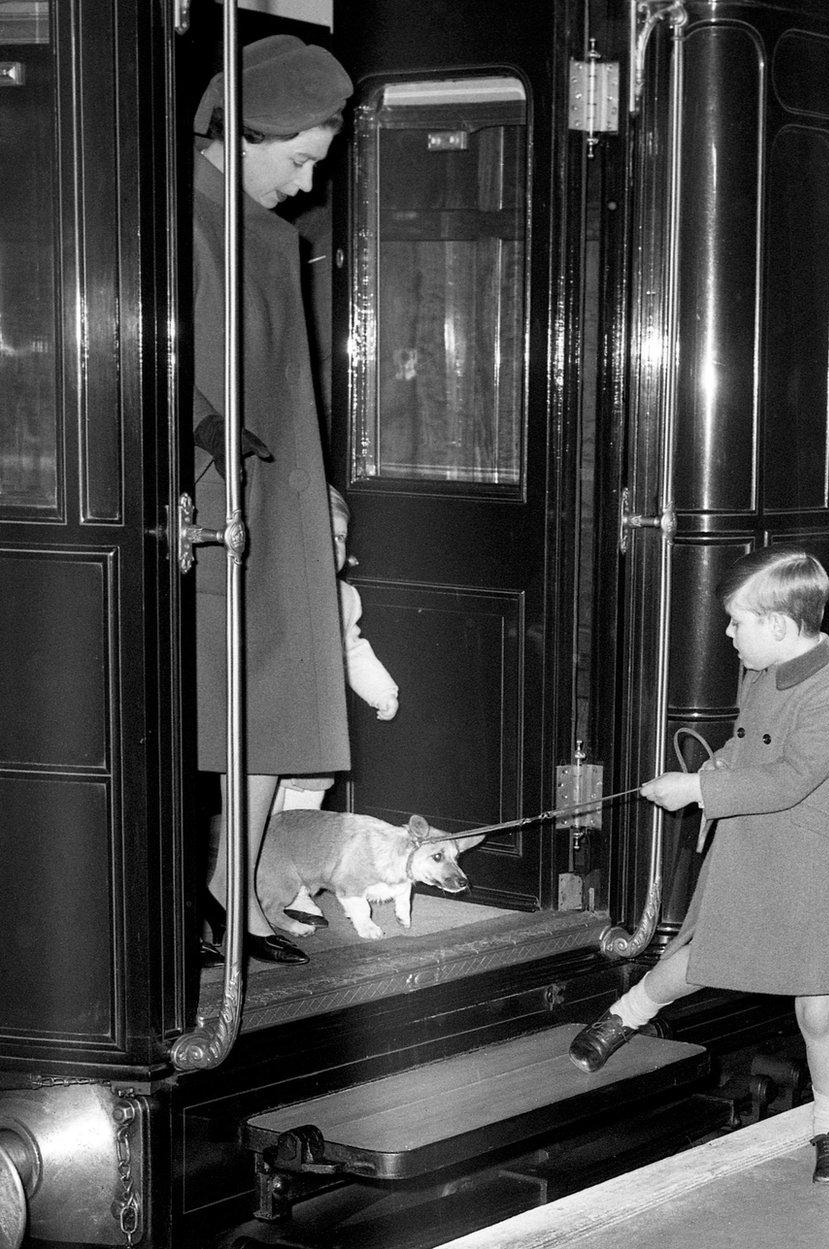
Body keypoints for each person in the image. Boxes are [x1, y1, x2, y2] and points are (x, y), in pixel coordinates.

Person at [570, 549, 829, 1184]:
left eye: (738, 622)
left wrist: (699, 792)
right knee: (696, 955)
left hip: (819, 865)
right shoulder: (766, 671)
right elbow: (748, 743)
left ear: (780, 626)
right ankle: (622, 1017)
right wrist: (715, 768)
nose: (729, 634)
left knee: (819, 1010)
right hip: (758, 847)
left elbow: (791, 779)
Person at [192, 36, 354, 966]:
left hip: (272, 501)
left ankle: (234, 886)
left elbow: (285, 389)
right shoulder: (184, 220)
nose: (305, 185)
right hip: (213, 506)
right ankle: (220, 893)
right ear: (244, 134)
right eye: (297, 160)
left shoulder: (268, 232)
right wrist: (214, 436)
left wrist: (306, 481)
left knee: (283, 704)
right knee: (229, 704)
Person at [274, 484, 399, 817]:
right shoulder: (273, 589)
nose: (334, 547)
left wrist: (382, 691)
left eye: (340, 538)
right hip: (270, 724)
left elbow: (353, 651)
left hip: (314, 730)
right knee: (258, 820)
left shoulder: (345, 597)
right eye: (322, 534)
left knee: (303, 819)